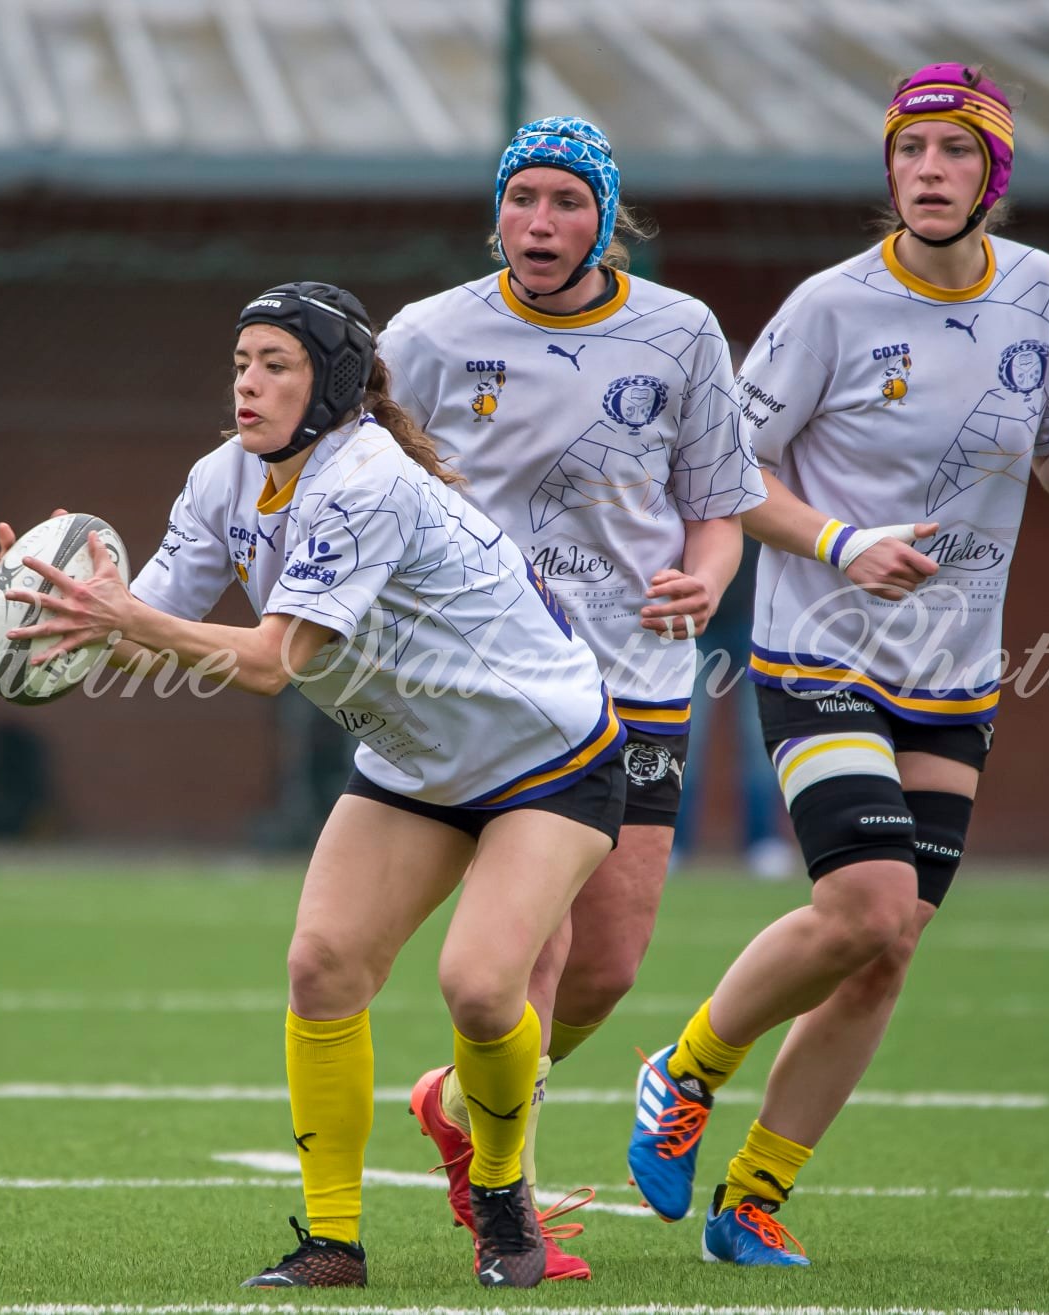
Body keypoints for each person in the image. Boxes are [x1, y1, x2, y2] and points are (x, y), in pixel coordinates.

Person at [0, 282, 627, 1289]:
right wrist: (64, 613)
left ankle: (500, 1199)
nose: (249, 383)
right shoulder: (220, 478)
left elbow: (272, 660)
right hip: (412, 760)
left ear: (335, 386)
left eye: (276, 363)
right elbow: (153, 638)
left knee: (481, 987)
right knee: (321, 964)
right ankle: (331, 1244)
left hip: (548, 756)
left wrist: (121, 620)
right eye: (240, 362)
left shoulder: (364, 480)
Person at [626, 64, 1049, 1265]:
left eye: (954, 153)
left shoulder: (1041, 291)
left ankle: (751, 1201)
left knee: (885, 945)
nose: (928, 172)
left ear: (990, 176)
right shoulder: (828, 307)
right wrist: (843, 545)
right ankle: (683, 1069)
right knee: (865, 903)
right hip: (818, 647)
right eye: (909, 152)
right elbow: (723, 478)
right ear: (888, 172)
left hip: (954, 670)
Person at [374, 115, 763, 1279]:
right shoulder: (428, 335)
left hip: (639, 674)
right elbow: (362, 487)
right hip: (491, 684)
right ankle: (511, 1207)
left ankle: (464, 1098)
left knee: (608, 962)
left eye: (565, 203)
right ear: (495, 210)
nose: (539, 224)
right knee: (529, 954)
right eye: (521, 200)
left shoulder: (680, 331)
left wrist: (706, 574)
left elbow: (720, 503)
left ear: (607, 218)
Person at [672, 537, 797, 880]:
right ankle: (674, 842)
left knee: (757, 736)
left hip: (756, 618)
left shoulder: (766, 485)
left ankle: (764, 841)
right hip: (694, 618)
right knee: (684, 734)